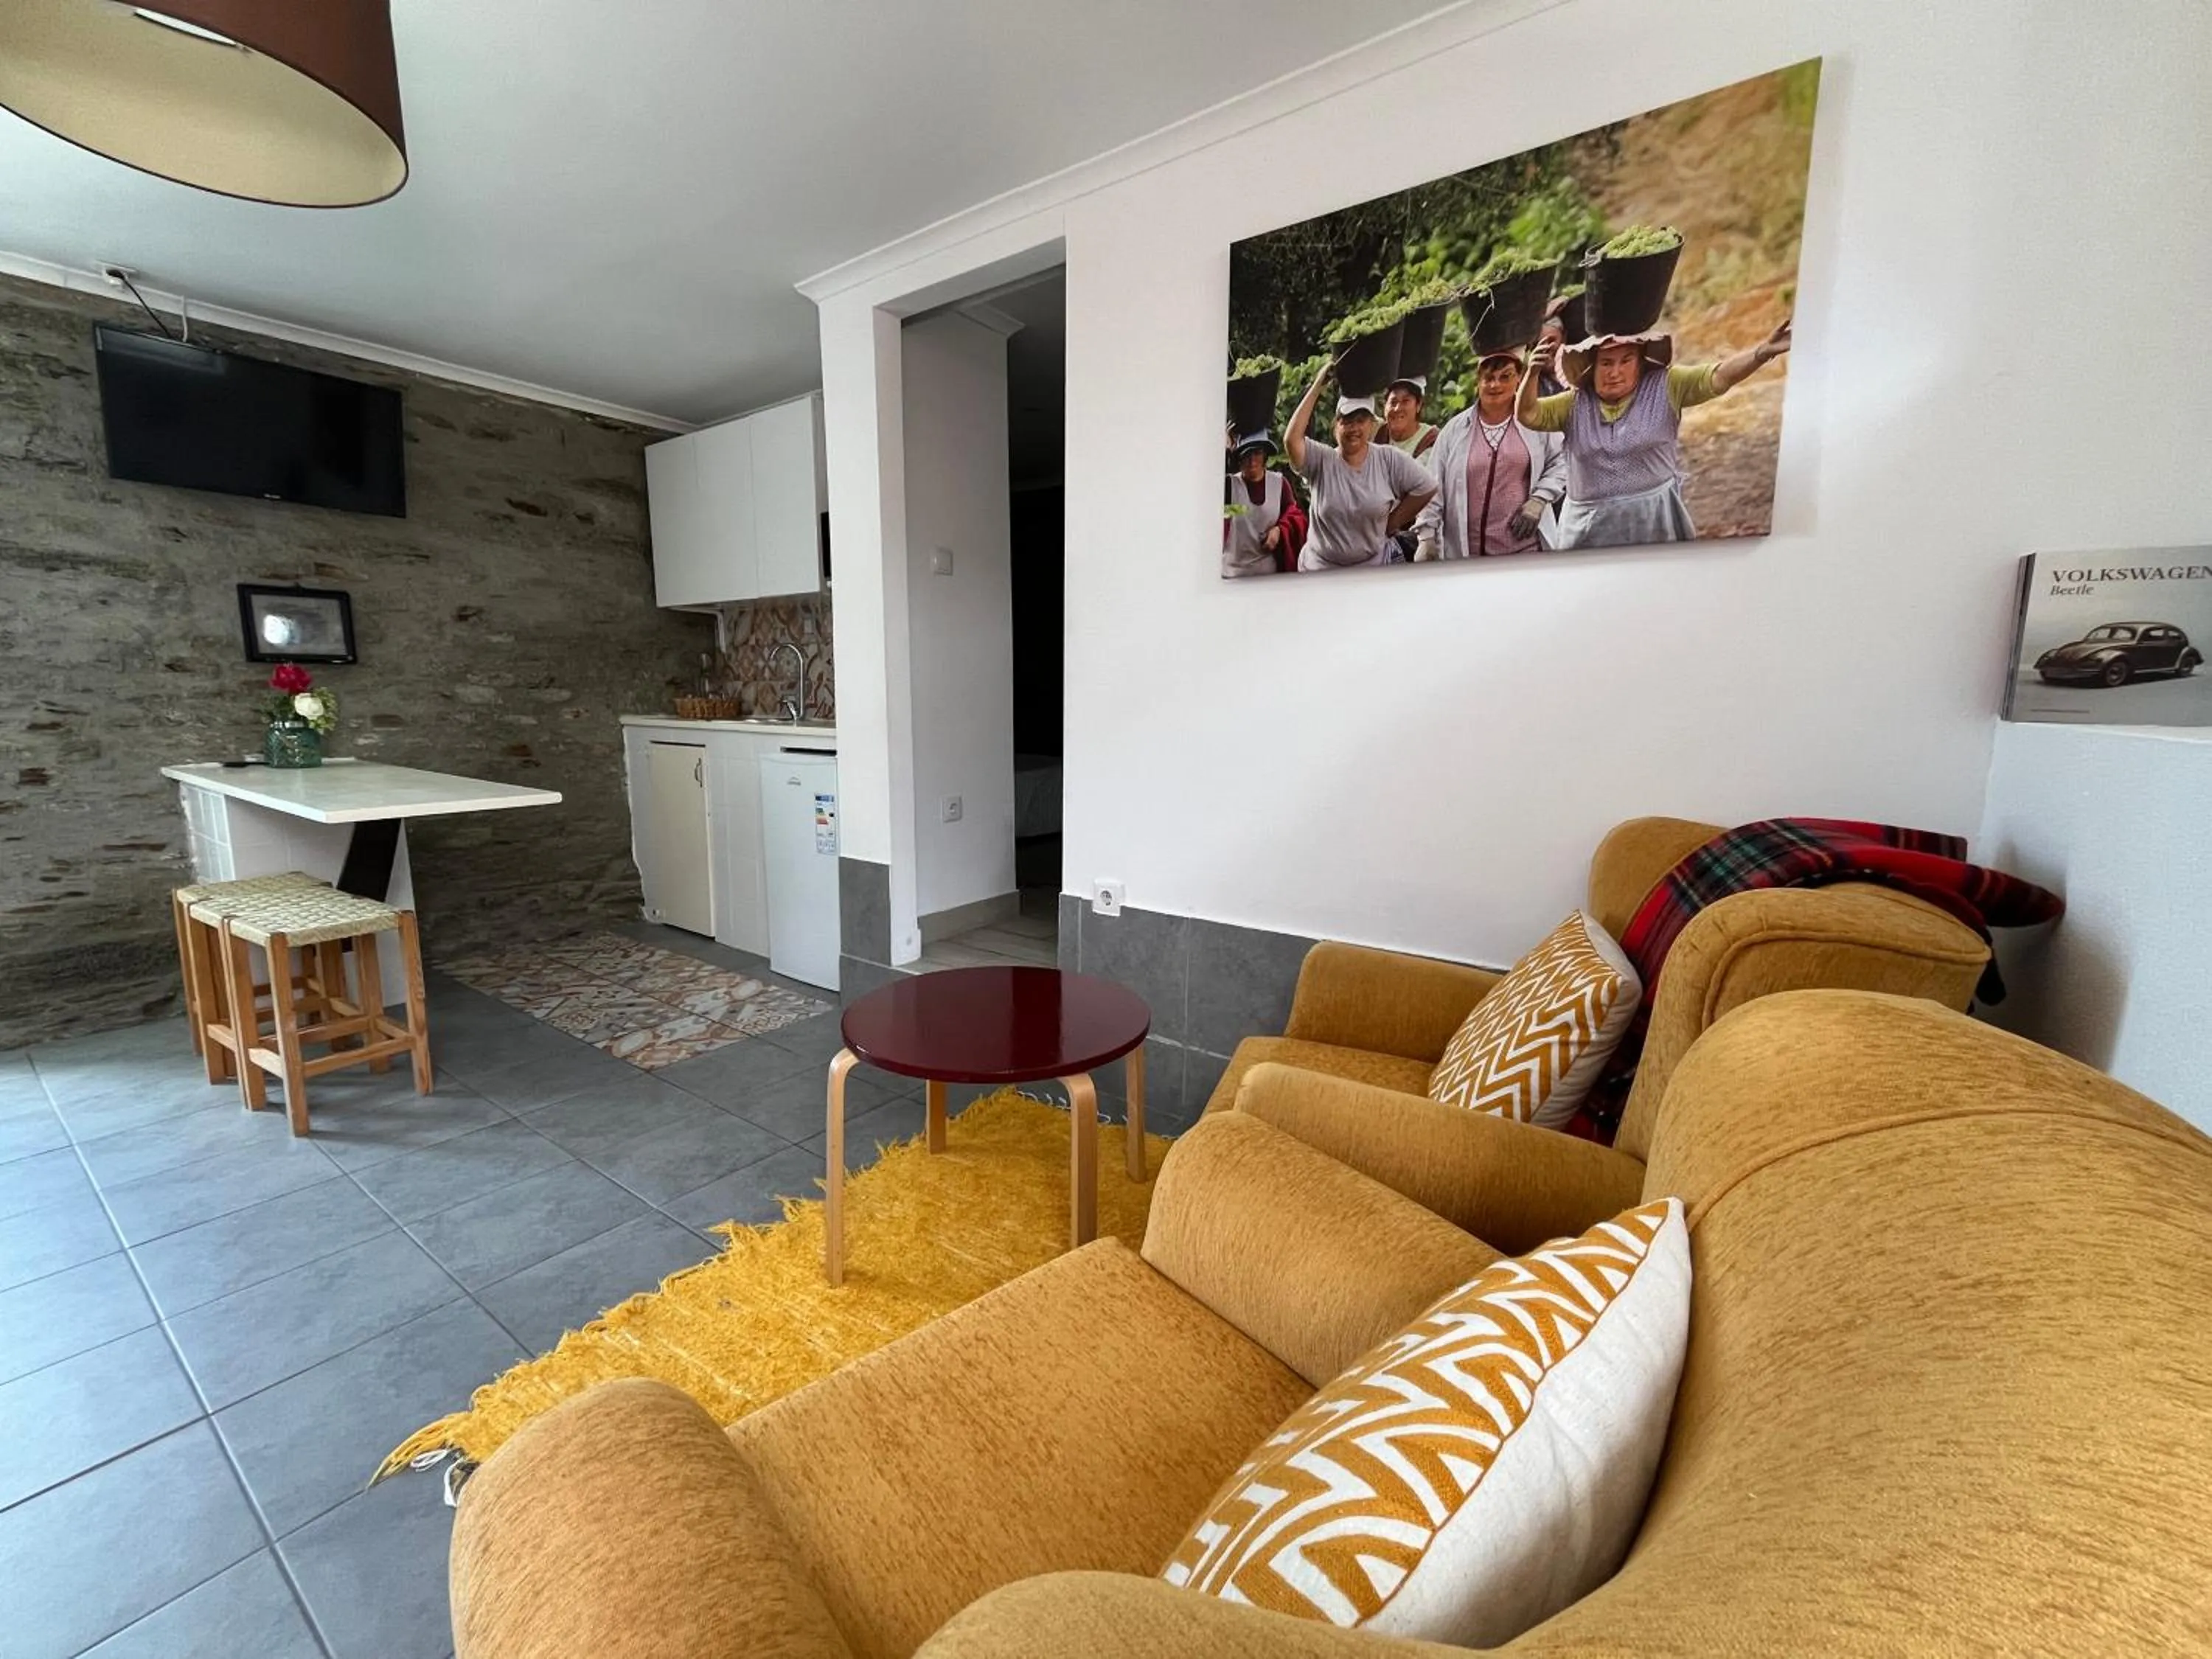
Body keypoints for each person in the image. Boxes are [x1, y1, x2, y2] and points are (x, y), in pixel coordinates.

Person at [1518, 319, 1792, 549]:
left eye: (1626, 361)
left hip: (1654, 520)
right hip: (1589, 527)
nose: (1615, 372)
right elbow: (1528, 414)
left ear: (1640, 363)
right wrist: (1531, 374)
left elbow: (1718, 377)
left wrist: (1762, 352)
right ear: (1592, 366)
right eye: (1606, 363)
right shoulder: (1575, 403)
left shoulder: (1667, 385)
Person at [1413, 347, 1565, 559]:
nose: (1495, 385)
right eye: (1489, 378)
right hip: (1469, 556)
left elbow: (1562, 460)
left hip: (1525, 553)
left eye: (1505, 377)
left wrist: (1539, 499)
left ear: (1519, 379)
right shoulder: (1455, 430)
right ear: (1478, 381)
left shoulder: (1534, 421)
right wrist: (1426, 537)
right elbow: (1433, 486)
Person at [1284, 358, 1436, 571]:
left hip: (1373, 567)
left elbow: (1427, 486)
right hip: (1321, 569)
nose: (1354, 428)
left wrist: (1393, 522)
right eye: (1347, 420)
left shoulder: (1387, 459)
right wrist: (1319, 385)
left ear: (1372, 424)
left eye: (1361, 420)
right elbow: (1292, 440)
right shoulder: (1322, 459)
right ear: (1336, 426)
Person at [1221, 433, 1304, 577]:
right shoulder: (1229, 486)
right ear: (1239, 458)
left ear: (1265, 455)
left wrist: (1279, 530)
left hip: (1268, 573)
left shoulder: (1279, 484)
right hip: (1233, 572)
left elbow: (1293, 516)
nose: (1252, 460)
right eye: (1247, 454)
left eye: (1257, 453)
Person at [1378, 376, 1439, 459]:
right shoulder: (1377, 432)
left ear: (1418, 405)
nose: (1397, 409)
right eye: (1393, 402)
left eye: (1405, 401)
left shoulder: (1430, 441)